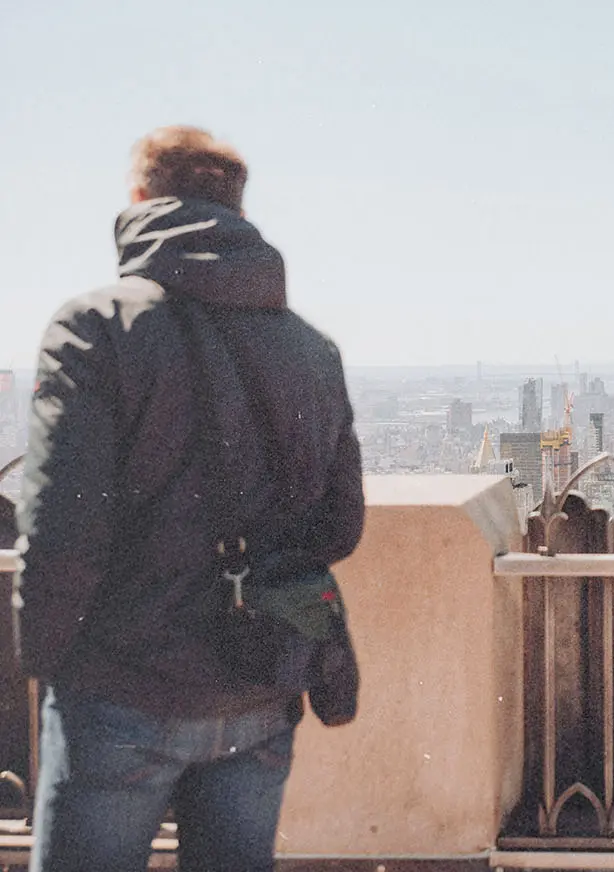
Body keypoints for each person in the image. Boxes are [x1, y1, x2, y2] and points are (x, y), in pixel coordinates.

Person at [14, 126, 364, 871]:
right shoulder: (312, 350)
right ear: (238, 208)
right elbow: (340, 525)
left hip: (120, 687)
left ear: (140, 200)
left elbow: (59, 535)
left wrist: (50, 668)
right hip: (259, 688)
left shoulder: (95, 329)